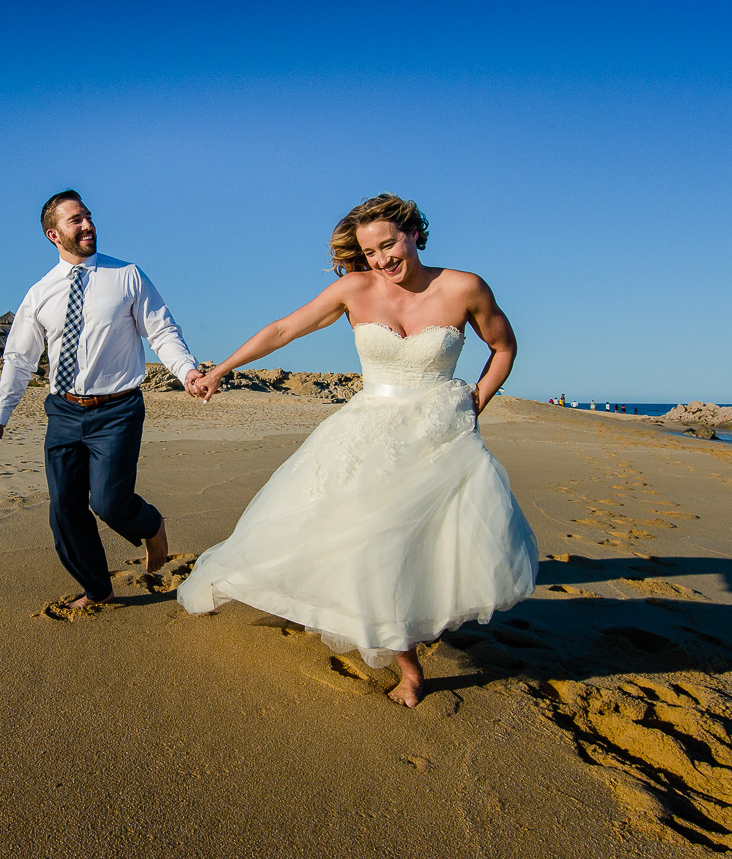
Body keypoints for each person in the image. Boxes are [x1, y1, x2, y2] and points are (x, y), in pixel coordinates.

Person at [176, 193, 538, 708]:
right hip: (368, 433)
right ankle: (407, 667)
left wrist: (475, 402)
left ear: (415, 233)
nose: (382, 260)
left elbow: (504, 348)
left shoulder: (464, 287)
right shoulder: (356, 288)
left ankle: (414, 623)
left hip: (441, 436)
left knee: (425, 545)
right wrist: (220, 369)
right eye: (370, 253)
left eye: (389, 245)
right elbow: (283, 328)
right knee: (371, 544)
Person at [0, 190, 203, 609]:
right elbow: (19, 359)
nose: (87, 226)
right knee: (64, 510)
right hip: (63, 410)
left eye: (88, 217)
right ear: (53, 234)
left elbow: (161, 332)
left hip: (118, 410)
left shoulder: (127, 275)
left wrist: (187, 371)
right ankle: (97, 587)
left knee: (108, 502)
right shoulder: (39, 293)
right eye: (75, 221)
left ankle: (151, 524)